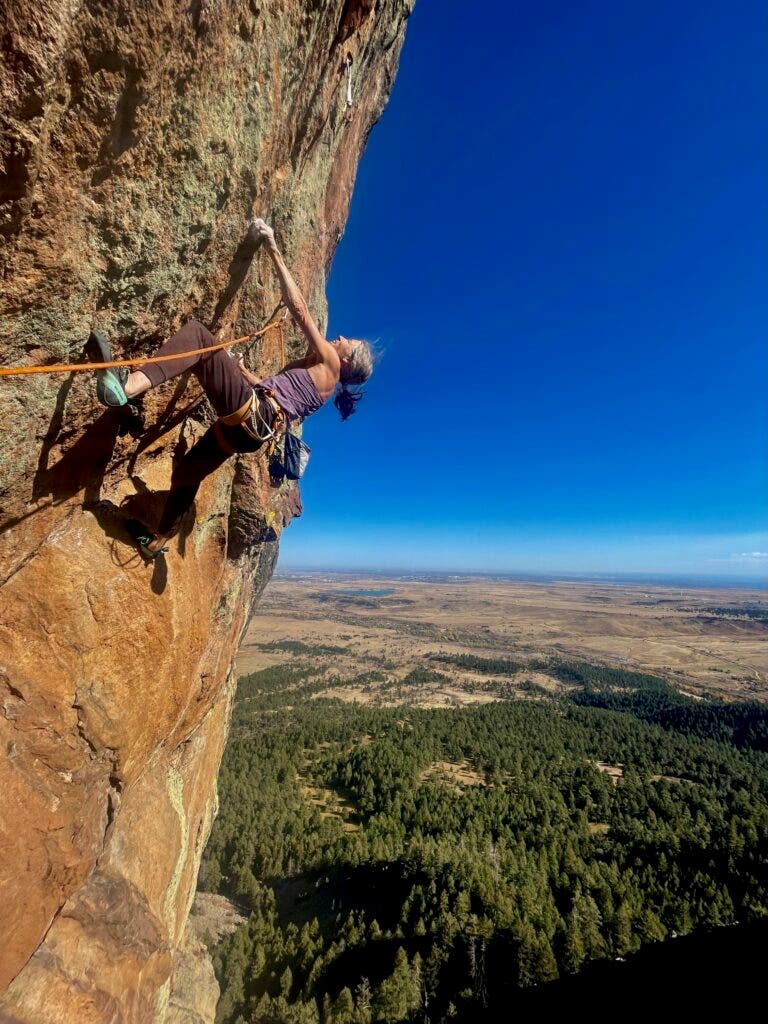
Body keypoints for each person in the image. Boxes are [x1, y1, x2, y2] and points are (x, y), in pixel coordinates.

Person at [90, 218, 373, 557]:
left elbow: (300, 311)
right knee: (188, 471)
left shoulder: (329, 361)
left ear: (345, 361)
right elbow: (269, 389)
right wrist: (240, 370)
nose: (340, 338)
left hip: (253, 414)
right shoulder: (323, 390)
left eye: (347, 343)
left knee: (198, 337)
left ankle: (128, 387)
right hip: (251, 430)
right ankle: (158, 540)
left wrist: (272, 247)